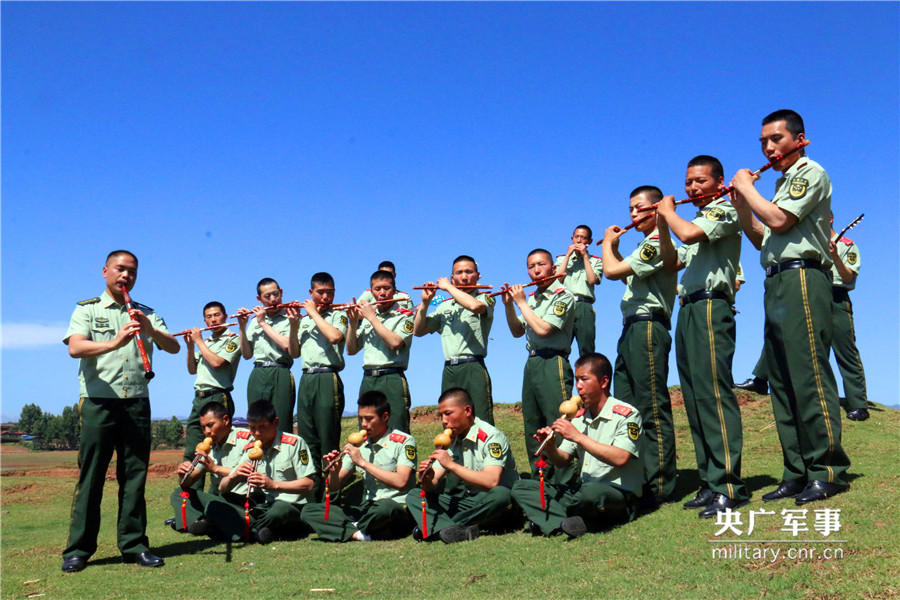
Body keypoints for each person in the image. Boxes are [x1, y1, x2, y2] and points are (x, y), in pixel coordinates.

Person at [729, 109, 850, 505]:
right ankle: (796, 472)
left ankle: (827, 469)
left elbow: (780, 220)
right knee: (781, 378)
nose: (768, 148)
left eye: (776, 139)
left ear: (800, 139)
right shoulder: (780, 184)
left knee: (808, 372)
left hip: (803, 276)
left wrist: (747, 189)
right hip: (775, 278)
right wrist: (743, 203)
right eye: (763, 142)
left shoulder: (811, 172)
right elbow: (760, 235)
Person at [61, 250, 180, 572]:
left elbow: (173, 346)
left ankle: (134, 545)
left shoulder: (145, 312)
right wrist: (114, 342)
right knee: (92, 477)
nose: (126, 276)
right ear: (105, 271)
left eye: (132, 272)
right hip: (99, 401)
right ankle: (78, 549)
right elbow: (76, 347)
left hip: (137, 401)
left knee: (134, 477)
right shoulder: (87, 309)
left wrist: (150, 331)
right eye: (120, 269)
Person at [656, 156, 749, 517]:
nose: (691, 189)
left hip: (712, 306)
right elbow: (670, 263)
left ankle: (729, 484)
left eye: (699, 181)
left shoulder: (723, 211)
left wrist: (669, 215)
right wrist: (663, 222)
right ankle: (710, 483)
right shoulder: (691, 219)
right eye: (688, 183)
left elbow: (690, 234)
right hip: (688, 308)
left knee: (713, 393)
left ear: (719, 181)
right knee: (694, 397)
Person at [601, 186, 678, 505]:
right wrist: (616, 250)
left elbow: (610, 271)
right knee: (628, 407)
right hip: (631, 327)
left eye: (639, 208)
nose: (633, 214)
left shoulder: (658, 243)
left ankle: (660, 483)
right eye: (630, 209)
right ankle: (636, 478)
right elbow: (624, 274)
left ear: (657, 208)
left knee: (650, 405)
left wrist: (607, 245)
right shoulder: (644, 246)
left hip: (647, 326)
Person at [511, 353, 643, 537]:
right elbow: (562, 460)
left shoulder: (627, 415)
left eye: (584, 379)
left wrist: (578, 437)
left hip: (615, 495)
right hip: (582, 491)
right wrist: (550, 447)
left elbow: (621, 458)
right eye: (576, 380)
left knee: (590, 493)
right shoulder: (580, 417)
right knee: (523, 487)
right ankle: (564, 523)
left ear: (604, 382)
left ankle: (552, 517)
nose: (578, 387)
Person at [405, 388, 518, 543]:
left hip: (495, 504)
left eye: (448, 413)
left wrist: (451, 465)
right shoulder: (449, 439)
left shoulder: (491, 437)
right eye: (441, 415)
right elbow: (432, 485)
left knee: (502, 495)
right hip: (471, 504)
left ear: (467, 410)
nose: (444, 420)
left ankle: (439, 527)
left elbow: (491, 481)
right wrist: (427, 479)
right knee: (414, 495)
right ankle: (457, 529)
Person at [502, 249, 576, 484]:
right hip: (532, 362)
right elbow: (516, 331)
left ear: (553, 268)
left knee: (558, 419)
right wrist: (509, 306)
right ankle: (540, 481)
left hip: (553, 361)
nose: (536, 270)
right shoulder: (531, 298)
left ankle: (565, 481)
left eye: (541, 265)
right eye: (531, 266)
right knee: (532, 424)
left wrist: (521, 302)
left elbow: (544, 329)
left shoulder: (563, 295)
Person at [304, 391, 417, 541]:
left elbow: (401, 482)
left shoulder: (404, 442)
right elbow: (334, 487)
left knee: (385, 507)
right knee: (309, 511)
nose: (364, 424)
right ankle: (360, 534)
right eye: (361, 418)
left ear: (385, 417)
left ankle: (348, 528)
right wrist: (334, 472)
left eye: (369, 419)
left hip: (396, 508)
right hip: (367, 509)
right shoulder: (359, 445)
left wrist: (363, 463)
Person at [203, 400, 316, 543]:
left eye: (262, 427)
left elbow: (308, 484)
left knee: (279, 510)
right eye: (252, 428)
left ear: (275, 422)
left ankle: (235, 530)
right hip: (263, 508)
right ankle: (258, 533)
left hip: (292, 507)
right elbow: (222, 488)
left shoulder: (294, 444)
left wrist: (273, 485)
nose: (257, 433)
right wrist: (235, 476)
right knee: (215, 506)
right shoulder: (252, 450)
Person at [413, 255, 496, 424]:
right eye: (459, 273)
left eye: (469, 272)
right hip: (450, 369)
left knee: (480, 420)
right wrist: (425, 303)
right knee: (450, 421)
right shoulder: (445, 306)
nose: (464, 277)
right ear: (453, 277)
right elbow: (418, 331)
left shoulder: (485, 298)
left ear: (478, 275)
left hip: (473, 366)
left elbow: (475, 307)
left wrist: (449, 287)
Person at [288, 272, 349, 479]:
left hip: (327, 376)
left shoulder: (338, 314)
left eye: (329, 293)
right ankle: (311, 488)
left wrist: (313, 313)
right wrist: (295, 324)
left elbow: (335, 336)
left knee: (327, 437)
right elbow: (294, 353)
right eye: (320, 293)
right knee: (307, 437)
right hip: (306, 377)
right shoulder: (304, 320)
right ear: (310, 292)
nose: (325, 298)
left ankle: (331, 491)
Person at [181, 301, 241, 488]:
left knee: (218, 449)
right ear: (204, 321)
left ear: (225, 316)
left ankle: (218, 500)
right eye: (208, 317)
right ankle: (191, 501)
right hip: (199, 397)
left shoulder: (233, 339)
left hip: (218, 396)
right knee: (194, 449)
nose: (213, 320)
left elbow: (217, 363)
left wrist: (198, 341)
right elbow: (192, 369)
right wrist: (191, 346)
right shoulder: (206, 343)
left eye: (216, 315)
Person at [346, 270, 415, 432]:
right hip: (369, 378)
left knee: (397, 429)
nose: (382, 293)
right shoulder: (369, 314)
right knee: (366, 430)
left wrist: (372, 318)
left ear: (394, 289)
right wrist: (353, 322)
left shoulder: (404, 314)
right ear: (371, 291)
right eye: (377, 289)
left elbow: (395, 342)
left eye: (387, 288)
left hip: (392, 377)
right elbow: (351, 350)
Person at [169, 401, 252, 532]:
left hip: (245, 501)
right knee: (179, 494)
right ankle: (196, 523)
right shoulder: (210, 447)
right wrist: (183, 475)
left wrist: (215, 469)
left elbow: (248, 472)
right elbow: (189, 481)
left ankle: (203, 524)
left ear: (225, 420)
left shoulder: (247, 439)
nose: (207, 431)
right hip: (224, 500)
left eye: (210, 425)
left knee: (214, 507)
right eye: (203, 427)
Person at [237, 278, 295, 435]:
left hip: (280, 371)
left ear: (281, 293)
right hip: (258, 372)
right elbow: (247, 354)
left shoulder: (291, 316)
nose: (272, 299)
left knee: (281, 421)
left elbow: (287, 345)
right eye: (267, 296)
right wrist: (242, 327)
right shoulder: (254, 320)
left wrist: (263, 324)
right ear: (259, 299)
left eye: (276, 294)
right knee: (257, 421)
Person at [828, 214, 869, 421]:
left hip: (836, 298)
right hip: (812, 294)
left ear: (830, 219)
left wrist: (835, 256)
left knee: (846, 351)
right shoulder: (808, 242)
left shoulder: (847, 245)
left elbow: (848, 277)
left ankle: (858, 404)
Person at [555, 225, 604, 358]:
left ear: (589, 241)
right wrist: (568, 255)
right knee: (560, 346)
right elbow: (557, 279)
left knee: (586, 347)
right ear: (572, 239)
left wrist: (585, 257)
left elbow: (592, 280)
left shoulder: (596, 261)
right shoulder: (561, 259)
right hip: (565, 304)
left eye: (583, 238)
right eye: (577, 237)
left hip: (584, 305)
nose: (579, 240)